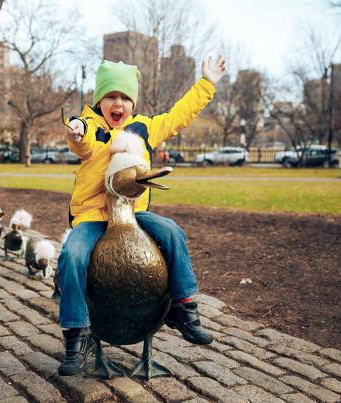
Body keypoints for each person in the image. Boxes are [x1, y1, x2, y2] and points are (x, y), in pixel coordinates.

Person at [57, 55, 226, 376]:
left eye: (124, 97)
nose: (117, 103)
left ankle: (184, 309)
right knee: (73, 254)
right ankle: (75, 334)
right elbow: (81, 139)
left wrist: (207, 84)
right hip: (94, 216)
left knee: (172, 231)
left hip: (133, 214)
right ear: (99, 101)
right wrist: (75, 132)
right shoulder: (91, 127)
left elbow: (179, 115)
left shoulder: (144, 128)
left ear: (132, 102)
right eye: (110, 96)